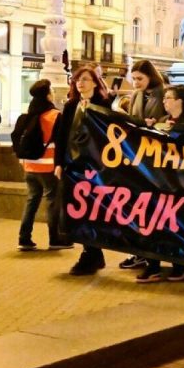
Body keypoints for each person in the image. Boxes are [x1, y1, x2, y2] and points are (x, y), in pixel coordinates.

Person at [54, 67, 116, 275]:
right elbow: (61, 137)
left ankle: (93, 253)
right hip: (74, 166)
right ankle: (91, 252)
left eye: (86, 79)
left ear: (95, 83)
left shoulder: (103, 105)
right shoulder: (71, 106)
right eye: (78, 79)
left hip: (96, 167)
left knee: (94, 209)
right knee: (78, 209)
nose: (81, 83)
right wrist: (59, 163)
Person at [137, 85, 184, 283]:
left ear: (180, 100)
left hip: (179, 184)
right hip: (158, 182)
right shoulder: (162, 121)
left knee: (176, 225)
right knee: (153, 225)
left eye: (169, 98)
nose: (164, 101)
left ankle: (179, 265)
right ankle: (152, 265)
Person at [11, 79, 66, 251]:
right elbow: (61, 142)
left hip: (30, 166)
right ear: (48, 95)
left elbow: (16, 137)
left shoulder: (27, 115)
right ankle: (55, 239)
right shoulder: (55, 115)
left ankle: (24, 238)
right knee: (52, 201)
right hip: (48, 166)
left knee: (32, 200)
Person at [127, 59, 167, 126]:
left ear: (151, 77)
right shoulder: (136, 94)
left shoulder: (164, 93)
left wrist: (157, 122)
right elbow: (130, 118)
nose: (136, 83)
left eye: (140, 79)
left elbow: (172, 119)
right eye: (133, 79)